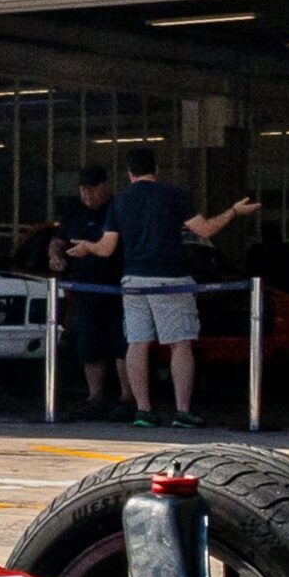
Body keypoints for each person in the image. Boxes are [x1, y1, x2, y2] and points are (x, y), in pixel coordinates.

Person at [66, 147, 259, 429]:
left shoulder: (120, 202)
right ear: (156, 169)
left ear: (129, 173)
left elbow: (107, 248)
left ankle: (143, 411)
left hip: (133, 281)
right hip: (171, 280)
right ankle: (182, 412)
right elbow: (204, 230)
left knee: (137, 343)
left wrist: (86, 247)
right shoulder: (173, 194)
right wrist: (233, 212)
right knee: (180, 343)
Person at [51, 165, 129, 418]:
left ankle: (127, 398)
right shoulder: (73, 209)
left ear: (105, 186)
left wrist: (90, 248)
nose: (87, 195)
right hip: (85, 291)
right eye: (83, 189)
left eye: (92, 189)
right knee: (89, 344)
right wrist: (56, 255)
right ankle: (95, 397)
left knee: (122, 343)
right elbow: (59, 240)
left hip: (119, 290)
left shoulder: (118, 208)